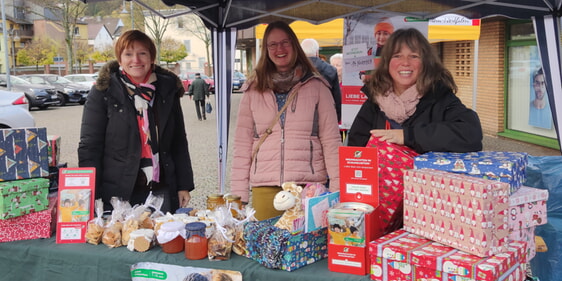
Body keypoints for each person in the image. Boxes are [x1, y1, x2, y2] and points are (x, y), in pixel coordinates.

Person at [230, 21, 341, 221]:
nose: (279, 49)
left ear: (295, 46)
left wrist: (337, 189)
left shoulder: (317, 86)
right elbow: (243, 144)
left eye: (285, 42)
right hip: (265, 187)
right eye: (273, 44)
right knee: (265, 248)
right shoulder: (253, 89)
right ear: (266, 50)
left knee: (305, 249)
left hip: (308, 188)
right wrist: (239, 196)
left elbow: (331, 141)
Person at [78, 30, 195, 213]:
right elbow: (90, 146)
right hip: (118, 193)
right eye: (129, 54)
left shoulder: (167, 89)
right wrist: (91, 192)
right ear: (120, 59)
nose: (136, 60)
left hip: (161, 189)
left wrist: (183, 185)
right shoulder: (103, 92)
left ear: (151, 57)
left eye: (142, 53)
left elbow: (179, 141)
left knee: (162, 238)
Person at [347, 28, 483, 153]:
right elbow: (356, 149)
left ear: (426, 62)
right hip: (382, 179)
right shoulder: (375, 101)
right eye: (397, 56)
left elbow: (471, 133)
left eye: (414, 56)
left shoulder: (439, 97)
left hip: (424, 179)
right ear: (387, 63)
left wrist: (408, 136)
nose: (405, 62)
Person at [301, 38, 342, 122]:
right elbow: (336, 97)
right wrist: (337, 117)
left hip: (301, 115)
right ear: (317, 52)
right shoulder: (331, 70)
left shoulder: (294, 70)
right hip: (325, 115)